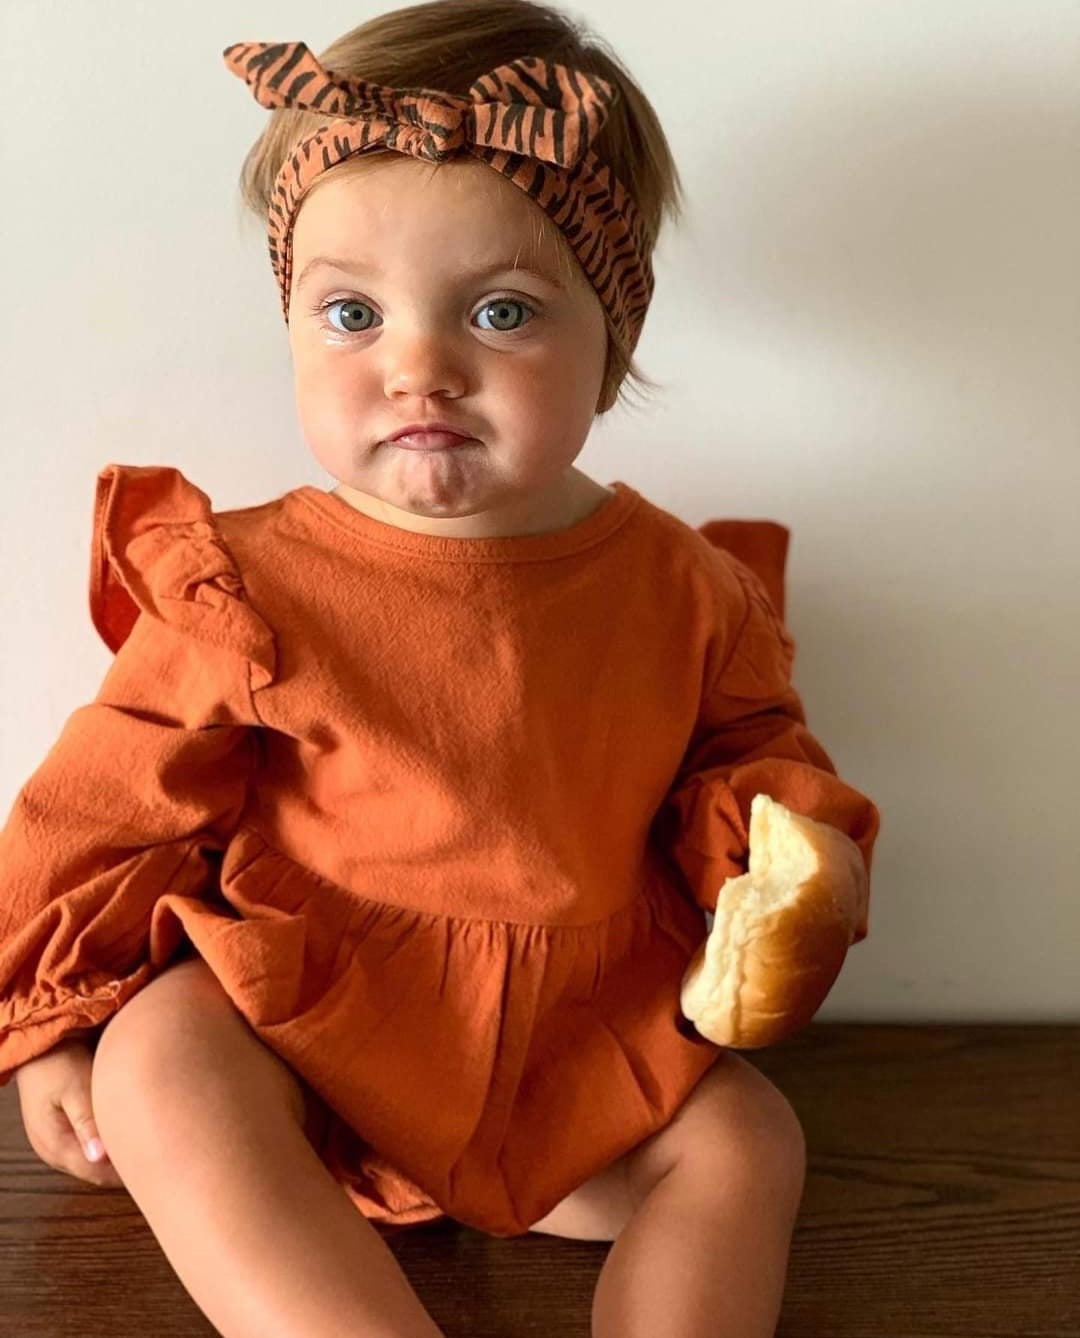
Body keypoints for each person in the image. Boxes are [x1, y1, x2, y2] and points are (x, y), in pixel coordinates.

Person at [0, 3, 882, 1336]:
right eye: (352, 312)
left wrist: (786, 867)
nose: (418, 367)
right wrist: (54, 1024)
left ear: (613, 337)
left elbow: (748, 761)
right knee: (165, 1053)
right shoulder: (245, 585)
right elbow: (108, 807)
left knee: (749, 1138)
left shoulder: (687, 589)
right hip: (309, 1025)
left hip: (582, 1044)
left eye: (502, 310)